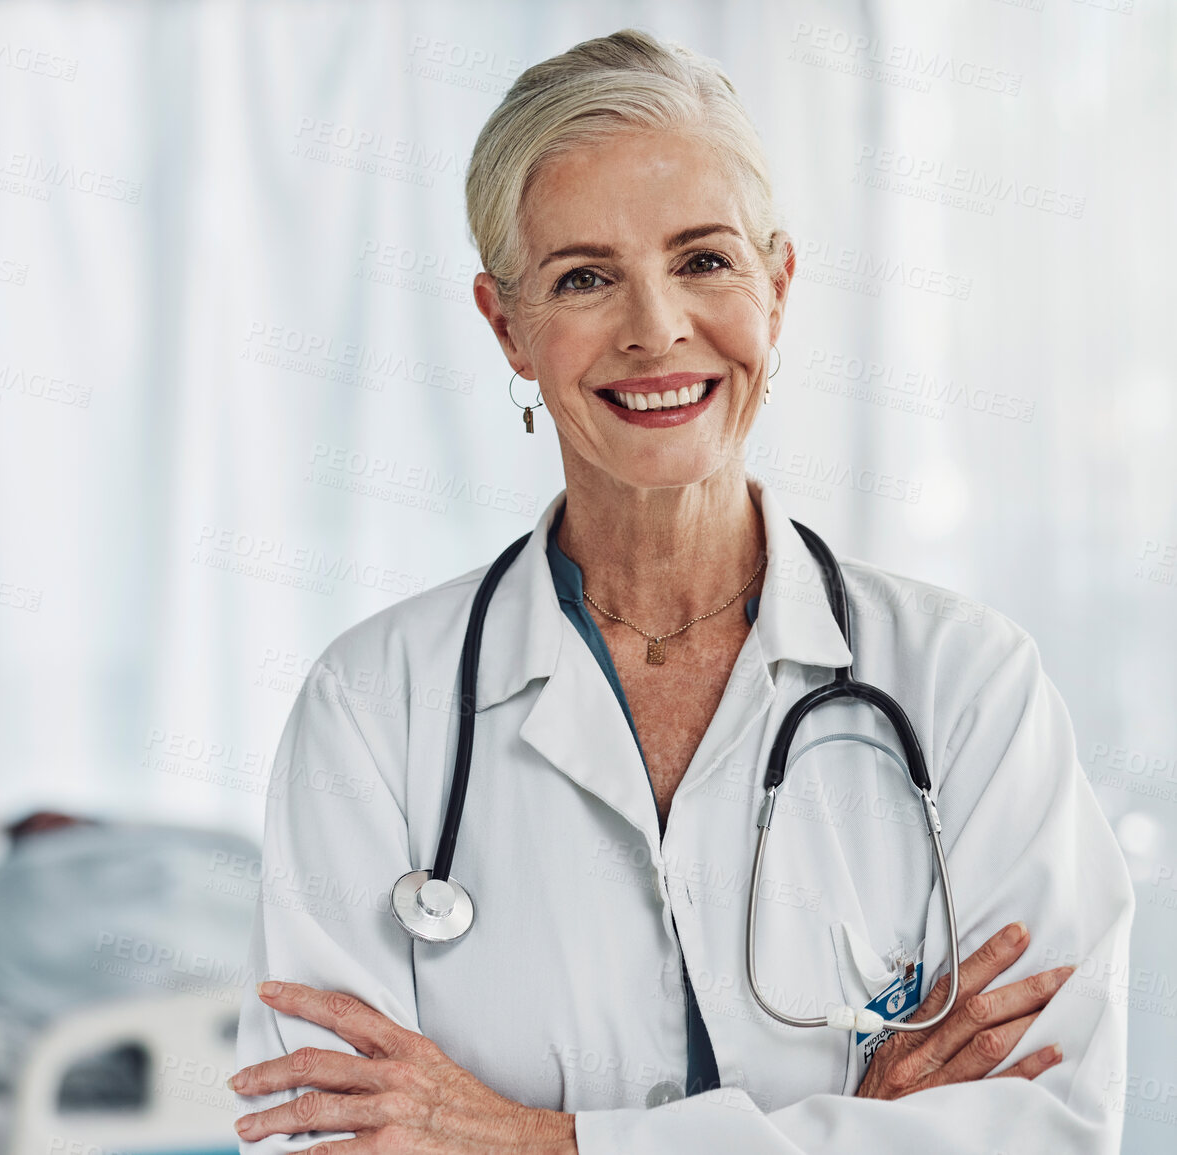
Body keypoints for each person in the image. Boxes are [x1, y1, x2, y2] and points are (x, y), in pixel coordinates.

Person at [230, 29, 1132, 1154]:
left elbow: (1042, 1129)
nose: (656, 329)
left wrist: (532, 1140)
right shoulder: (372, 708)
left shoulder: (968, 687)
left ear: (779, 284)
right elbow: (324, 1135)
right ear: (505, 324)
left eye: (704, 260)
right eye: (584, 278)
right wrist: (853, 1130)